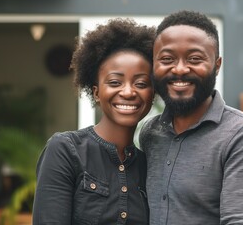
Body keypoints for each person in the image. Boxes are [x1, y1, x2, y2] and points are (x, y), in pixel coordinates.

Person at [139, 10, 243, 225]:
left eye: (195, 58)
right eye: (167, 59)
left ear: (217, 65)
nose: (180, 69)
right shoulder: (151, 132)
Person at [32, 18, 155, 225]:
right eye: (115, 82)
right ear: (96, 93)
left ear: (153, 94)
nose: (128, 92)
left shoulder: (148, 165)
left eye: (141, 83)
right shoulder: (65, 150)